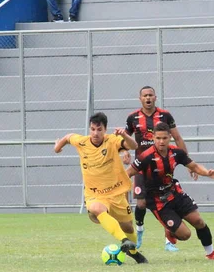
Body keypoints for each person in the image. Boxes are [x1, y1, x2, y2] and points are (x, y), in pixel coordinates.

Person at [54, 112, 148, 264]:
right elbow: (68, 137)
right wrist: (57, 147)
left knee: (128, 227)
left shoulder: (112, 141)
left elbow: (134, 146)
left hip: (116, 193)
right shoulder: (82, 142)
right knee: (97, 209)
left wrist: (125, 135)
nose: (95, 133)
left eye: (99, 130)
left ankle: (134, 252)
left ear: (105, 129)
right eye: (92, 129)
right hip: (94, 194)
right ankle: (124, 240)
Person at [125, 123, 214, 261]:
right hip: (158, 202)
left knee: (198, 221)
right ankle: (171, 231)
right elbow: (128, 173)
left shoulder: (176, 153)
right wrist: (119, 190)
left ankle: (211, 253)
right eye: (158, 138)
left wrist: (207, 173)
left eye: (165, 138)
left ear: (170, 138)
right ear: (153, 138)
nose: (161, 141)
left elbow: (194, 166)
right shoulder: (146, 157)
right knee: (185, 235)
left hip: (175, 193)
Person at [124, 86, 193, 252]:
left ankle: (168, 241)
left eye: (150, 95)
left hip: (163, 166)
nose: (148, 98)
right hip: (142, 167)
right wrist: (125, 152)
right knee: (141, 203)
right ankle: (139, 229)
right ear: (140, 98)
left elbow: (177, 138)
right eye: (145, 95)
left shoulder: (165, 115)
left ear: (155, 97)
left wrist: (188, 162)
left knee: (166, 200)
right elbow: (123, 140)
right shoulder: (133, 118)